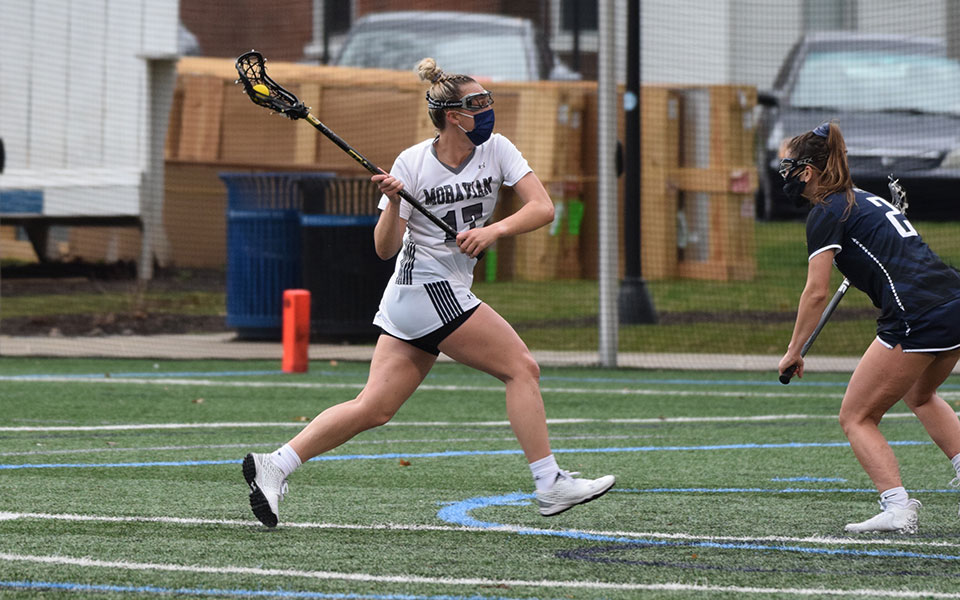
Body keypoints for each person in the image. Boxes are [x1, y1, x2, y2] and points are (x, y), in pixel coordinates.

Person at [242, 57, 615, 527]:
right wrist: (395, 201)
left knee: (374, 407)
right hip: (424, 287)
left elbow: (542, 208)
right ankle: (549, 483)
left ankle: (275, 464)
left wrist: (493, 232)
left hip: (438, 290)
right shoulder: (411, 163)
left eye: (486, 101)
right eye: (477, 104)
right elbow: (384, 248)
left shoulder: (496, 149)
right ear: (452, 116)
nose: (487, 110)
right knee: (522, 368)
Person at [777, 121, 960, 534]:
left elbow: (816, 293)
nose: (783, 174)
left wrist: (794, 349)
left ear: (807, 172)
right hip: (953, 303)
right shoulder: (862, 200)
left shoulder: (825, 212)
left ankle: (896, 507)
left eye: (787, 166)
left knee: (856, 416)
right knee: (922, 394)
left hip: (916, 315)